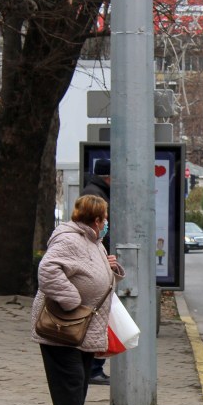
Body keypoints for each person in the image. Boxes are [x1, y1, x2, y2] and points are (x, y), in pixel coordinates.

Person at [30, 194, 125, 405]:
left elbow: (89, 275)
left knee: (74, 392)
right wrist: (71, 300)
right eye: (104, 218)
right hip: (62, 328)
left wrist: (109, 269)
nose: (106, 223)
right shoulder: (69, 239)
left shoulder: (94, 241)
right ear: (95, 219)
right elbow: (47, 270)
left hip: (83, 330)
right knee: (71, 389)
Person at [81, 158, 112, 385]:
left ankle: (91, 367)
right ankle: (93, 368)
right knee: (97, 317)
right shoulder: (95, 195)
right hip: (96, 263)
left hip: (98, 260)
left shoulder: (94, 190)